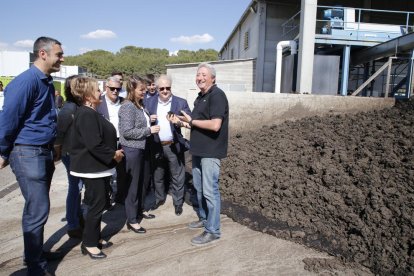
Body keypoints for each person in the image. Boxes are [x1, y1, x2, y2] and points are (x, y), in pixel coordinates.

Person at [0, 36, 64, 275]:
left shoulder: (45, 81)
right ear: (43, 54)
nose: (62, 58)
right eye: (59, 54)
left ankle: (34, 253)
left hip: (42, 151)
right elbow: (8, 120)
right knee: (37, 209)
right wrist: (2, 151)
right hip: (27, 152)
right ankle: (35, 266)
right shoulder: (25, 82)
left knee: (40, 207)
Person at [69, 76, 124, 259]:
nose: (100, 92)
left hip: (97, 168)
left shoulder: (90, 112)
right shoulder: (86, 113)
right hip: (92, 169)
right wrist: (113, 155)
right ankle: (90, 243)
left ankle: (94, 238)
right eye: (96, 89)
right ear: (87, 95)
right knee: (96, 205)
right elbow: (94, 144)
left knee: (98, 204)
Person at [175, 62, 229, 246]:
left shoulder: (217, 95)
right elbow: (195, 123)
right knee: (199, 187)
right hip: (198, 150)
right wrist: (182, 122)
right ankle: (205, 219)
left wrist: (192, 121)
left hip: (211, 151)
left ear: (213, 78)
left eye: (204, 75)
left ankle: (213, 231)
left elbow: (215, 125)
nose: (200, 78)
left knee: (210, 191)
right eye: (198, 75)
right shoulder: (200, 97)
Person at [118, 74, 160, 233]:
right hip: (132, 150)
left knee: (143, 182)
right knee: (133, 185)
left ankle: (139, 210)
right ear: (132, 89)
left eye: (145, 89)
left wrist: (150, 119)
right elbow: (127, 132)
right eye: (141, 89)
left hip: (142, 148)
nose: (144, 92)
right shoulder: (128, 106)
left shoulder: (140, 105)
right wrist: (149, 130)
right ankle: (132, 219)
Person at [146, 74, 191, 216]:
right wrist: (148, 120)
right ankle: (159, 198)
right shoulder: (149, 102)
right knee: (158, 174)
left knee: (177, 175)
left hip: (173, 145)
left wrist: (179, 120)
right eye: (162, 88)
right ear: (157, 89)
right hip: (156, 145)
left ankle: (178, 203)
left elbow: (190, 119)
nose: (165, 91)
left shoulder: (180, 102)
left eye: (168, 88)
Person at [55, 75, 84, 239]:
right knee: (75, 187)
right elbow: (59, 134)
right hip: (71, 154)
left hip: (78, 153)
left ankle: (77, 216)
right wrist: (58, 151)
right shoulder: (69, 109)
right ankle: (72, 224)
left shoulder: (78, 107)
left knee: (78, 187)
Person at [97, 76, 127, 206]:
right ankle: (106, 200)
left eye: (118, 89)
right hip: (106, 143)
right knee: (105, 173)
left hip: (122, 141)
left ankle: (120, 198)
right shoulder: (98, 103)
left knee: (122, 172)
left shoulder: (124, 102)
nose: (115, 91)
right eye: (112, 88)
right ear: (106, 88)